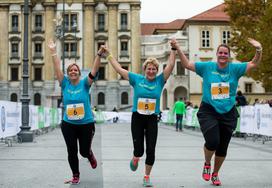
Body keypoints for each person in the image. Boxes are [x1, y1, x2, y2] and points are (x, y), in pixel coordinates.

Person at [173, 38, 262, 186]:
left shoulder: (235, 69)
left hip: (228, 112)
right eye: (220, 52)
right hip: (209, 110)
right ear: (217, 54)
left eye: (225, 53)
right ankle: (207, 162)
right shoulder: (207, 67)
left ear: (229, 56)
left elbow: (253, 63)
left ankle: (215, 174)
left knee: (223, 147)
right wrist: (178, 48)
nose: (222, 55)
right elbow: (187, 64)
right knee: (213, 141)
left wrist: (258, 49)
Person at [101, 39, 177, 187]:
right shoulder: (137, 79)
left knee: (151, 149)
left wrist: (173, 50)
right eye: (149, 68)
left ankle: (146, 176)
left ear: (157, 70)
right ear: (145, 69)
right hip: (137, 117)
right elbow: (119, 70)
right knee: (139, 150)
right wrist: (109, 55)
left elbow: (171, 65)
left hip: (151, 118)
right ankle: (136, 157)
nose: (151, 71)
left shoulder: (160, 80)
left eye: (154, 69)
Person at [48, 40, 103, 185]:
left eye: (75, 70)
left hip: (86, 124)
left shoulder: (85, 84)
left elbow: (94, 70)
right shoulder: (64, 83)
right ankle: (75, 175)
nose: (73, 72)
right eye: (70, 70)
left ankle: (89, 155)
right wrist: (53, 52)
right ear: (68, 74)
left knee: (83, 152)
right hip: (68, 124)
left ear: (79, 73)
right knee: (71, 151)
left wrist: (99, 55)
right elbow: (57, 69)